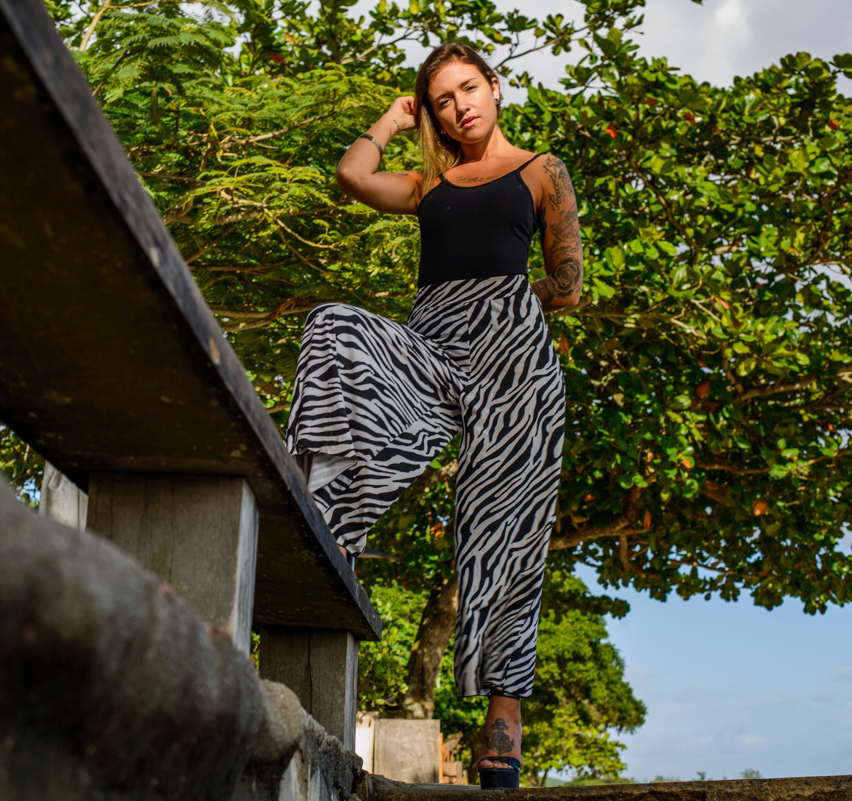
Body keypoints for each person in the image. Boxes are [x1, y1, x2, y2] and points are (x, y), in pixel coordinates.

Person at [284, 41, 582, 789]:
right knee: (334, 326)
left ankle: (502, 720)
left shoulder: (542, 169)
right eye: (444, 98)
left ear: (496, 88)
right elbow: (353, 176)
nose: (460, 106)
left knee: (504, 526)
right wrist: (391, 116)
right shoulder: (429, 182)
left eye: (469, 88)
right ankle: (326, 522)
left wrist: (506, 301)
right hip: (435, 345)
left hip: (513, 355)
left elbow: (568, 281)